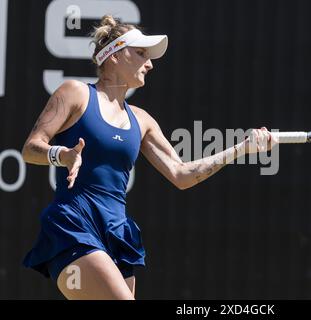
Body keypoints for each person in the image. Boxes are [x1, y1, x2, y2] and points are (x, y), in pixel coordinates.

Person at [21, 15, 276, 300]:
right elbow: (31, 148)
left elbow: (181, 175)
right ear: (114, 56)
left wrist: (241, 149)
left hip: (117, 234)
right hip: (74, 227)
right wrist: (63, 155)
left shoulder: (142, 121)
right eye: (141, 53)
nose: (150, 63)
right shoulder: (75, 93)